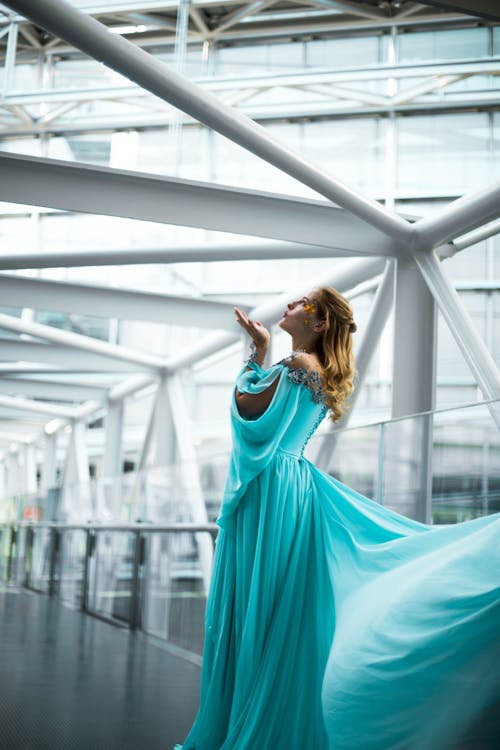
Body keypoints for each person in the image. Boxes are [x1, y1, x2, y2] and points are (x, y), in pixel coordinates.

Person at [174, 286, 500, 750]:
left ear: (319, 323)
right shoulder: (312, 369)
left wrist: (257, 352)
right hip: (287, 491)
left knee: (256, 608)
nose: (289, 306)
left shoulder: (300, 366)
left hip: (271, 491)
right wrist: (264, 354)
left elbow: (251, 419)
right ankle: (261, 722)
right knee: (269, 614)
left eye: (300, 303)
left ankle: (247, 728)